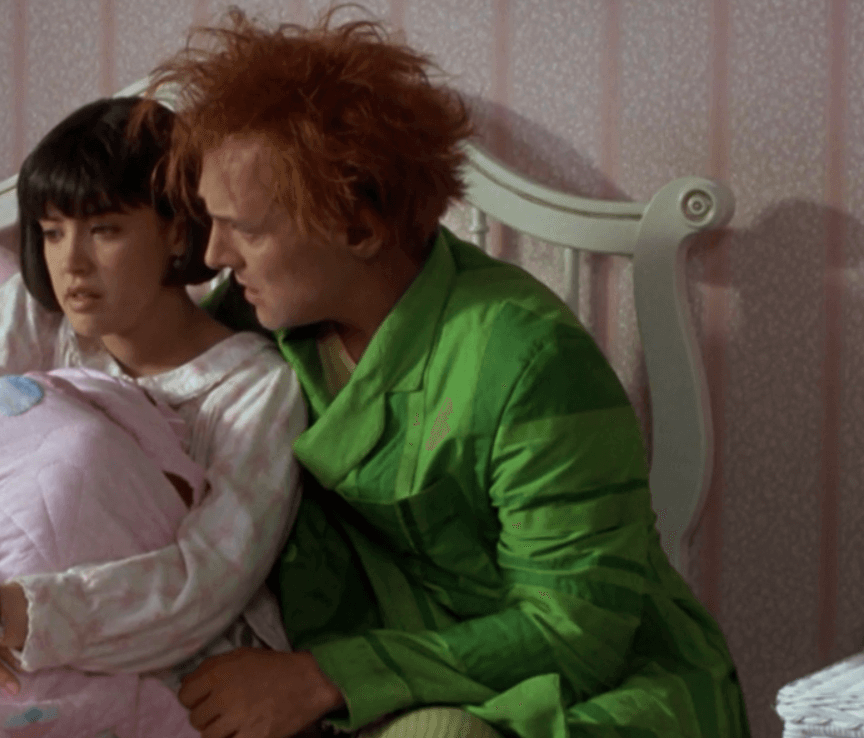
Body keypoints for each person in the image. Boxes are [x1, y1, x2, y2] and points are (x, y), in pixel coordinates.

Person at [123, 6, 747, 738]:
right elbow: (113, 401)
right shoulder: (251, 320)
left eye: (247, 230)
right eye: (212, 221)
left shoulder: (529, 359)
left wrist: (325, 676)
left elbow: (577, 634)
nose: (214, 256)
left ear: (360, 226)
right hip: (376, 678)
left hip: (585, 688)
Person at [0, 96, 306, 709]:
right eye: (53, 232)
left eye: (104, 230)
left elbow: (205, 582)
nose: (71, 263)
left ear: (176, 231)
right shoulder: (35, 314)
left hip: (129, 649)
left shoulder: (253, 389)